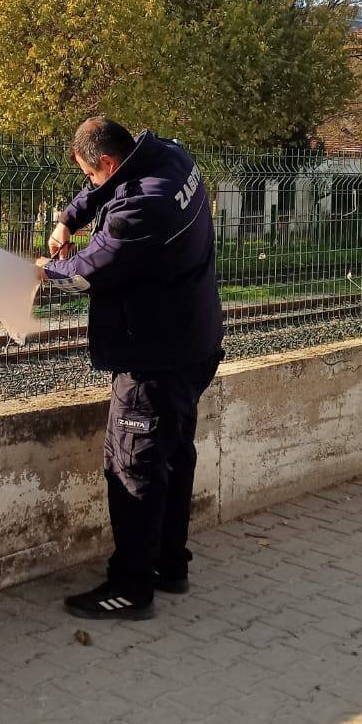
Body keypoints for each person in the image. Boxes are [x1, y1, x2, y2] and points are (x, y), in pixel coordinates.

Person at [36, 117, 224, 619]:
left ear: (106, 161)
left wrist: (43, 271)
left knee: (133, 466)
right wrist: (69, 217)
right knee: (173, 454)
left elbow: (87, 271)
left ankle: (132, 588)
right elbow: (107, 189)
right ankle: (169, 565)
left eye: (89, 175)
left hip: (154, 359)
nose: (90, 184)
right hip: (195, 343)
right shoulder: (170, 156)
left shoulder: (143, 208)